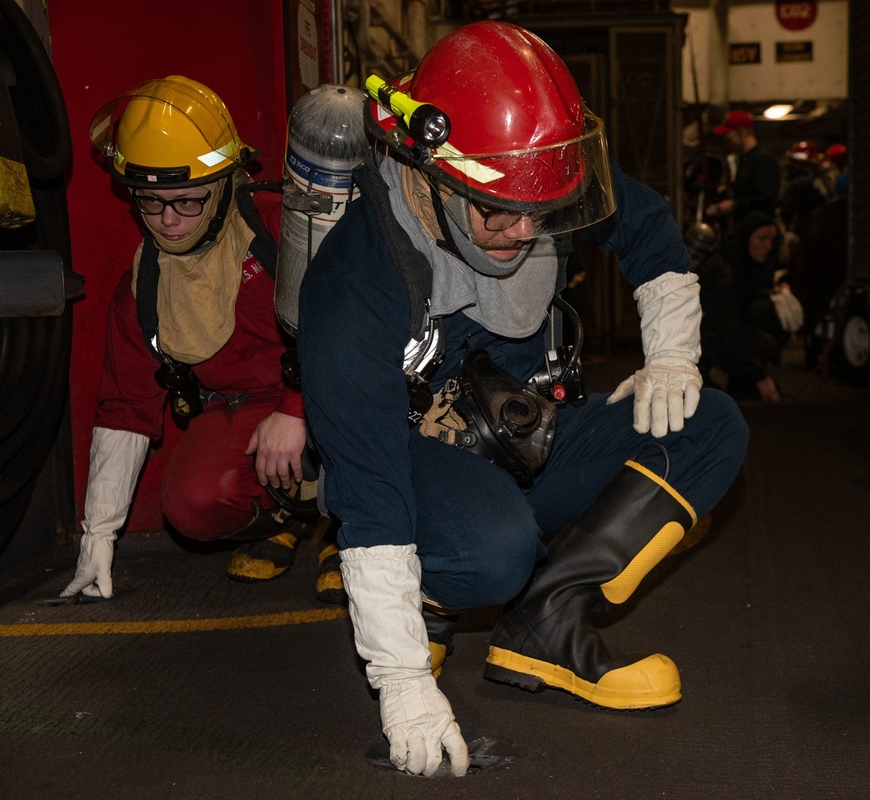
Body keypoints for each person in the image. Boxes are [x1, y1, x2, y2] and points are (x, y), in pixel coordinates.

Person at [297, 22, 749, 778]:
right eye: (498, 213)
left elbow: (641, 226)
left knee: (709, 425)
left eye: (544, 209)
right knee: (490, 552)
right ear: (433, 172)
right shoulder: (357, 283)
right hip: (415, 467)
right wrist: (403, 682)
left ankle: (548, 622)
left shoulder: (529, 184)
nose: (526, 230)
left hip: (523, 437)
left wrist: (672, 355)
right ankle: (438, 593)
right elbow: (371, 492)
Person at [61, 76, 342, 602]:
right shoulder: (144, 290)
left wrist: (297, 407)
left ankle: (350, 527)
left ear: (222, 186)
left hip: (328, 388)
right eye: (151, 202)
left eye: (188, 201)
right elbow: (125, 409)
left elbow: (353, 328)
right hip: (244, 413)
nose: (168, 221)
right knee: (192, 502)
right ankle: (288, 515)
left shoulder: (282, 228)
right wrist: (97, 536)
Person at [697, 211, 803, 402]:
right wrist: (759, 375)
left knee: (775, 311)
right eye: (761, 239)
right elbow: (729, 328)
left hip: (722, 327)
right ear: (746, 238)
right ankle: (730, 378)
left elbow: (746, 298)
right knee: (764, 343)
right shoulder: (724, 272)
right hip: (705, 336)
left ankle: (742, 381)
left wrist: (772, 294)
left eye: (771, 239)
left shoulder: (742, 261)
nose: (768, 246)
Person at [706, 110, 781, 228]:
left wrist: (734, 205)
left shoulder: (762, 160)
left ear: (741, 132)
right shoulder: (745, 160)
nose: (727, 140)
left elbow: (766, 200)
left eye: (728, 135)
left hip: (759, 232)